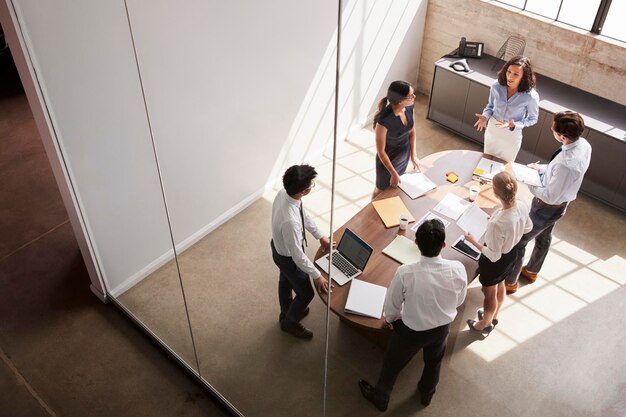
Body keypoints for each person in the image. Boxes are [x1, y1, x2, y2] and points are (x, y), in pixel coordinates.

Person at [358, 219, 467, 411]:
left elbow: (391, 307)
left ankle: (381, 397)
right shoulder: (458, 268)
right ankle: (426, 395)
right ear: (443, 244)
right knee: (434, 362)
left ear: (416, 243)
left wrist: (390, 320)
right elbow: (459, 300)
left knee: (392, 364)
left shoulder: (405, 273)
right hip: (441, 329)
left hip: (411, 332)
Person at [504, 111, 592, 293]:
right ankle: (532, 270)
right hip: (560, 205)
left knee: (520, 241)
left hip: (546, 208)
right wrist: (541, 168)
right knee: (544, 236)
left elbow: (549, 195)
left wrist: (528, 182)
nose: (551, 129)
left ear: (563, 136)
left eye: (554, 128)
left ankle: (510, 283)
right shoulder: (583, 144)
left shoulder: (566, 164)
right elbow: (556, 170)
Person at [464, 172, 532, 335]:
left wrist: (473, 241)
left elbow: (493, 255)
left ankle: (484, 324)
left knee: (489, 293)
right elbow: (528, 227)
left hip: (495, 261)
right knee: (500, 284)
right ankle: (495, 316)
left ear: (495, 192)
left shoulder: (497, 223)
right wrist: (512, 234)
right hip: (511, 255)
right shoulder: (521, 205)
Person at [270, 164, 333, 339]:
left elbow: (303, 215)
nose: (313, 186)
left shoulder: (285, 193)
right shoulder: (290, 222)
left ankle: (286, 312)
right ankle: (289, 323)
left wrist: (320, 236)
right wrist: (317, 275)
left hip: (278, 247)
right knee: (307, 293)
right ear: (304, 191)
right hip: (288, 257)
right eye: (312, 185)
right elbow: (297, 256)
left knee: (285, 280)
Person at [474, 56, 539, 163]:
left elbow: (533, 118)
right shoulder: (496, 86)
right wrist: (485, 116)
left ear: (523, 77)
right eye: (508, 71)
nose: (510, 76)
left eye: (515, 74)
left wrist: (515, 125)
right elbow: (490, 106)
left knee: (505, 168)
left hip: (511, 135)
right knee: (485, 161)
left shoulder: (530, 96)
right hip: (493, 130)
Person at [372, 80, 421, 199]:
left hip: (403, 157)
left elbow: (412, 131)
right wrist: (393, 173)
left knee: (394, 190)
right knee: (380, 190)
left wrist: (413, 155)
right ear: (400, 100)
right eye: (411, 95)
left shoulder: (409, 107)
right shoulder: (384, 121)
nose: (414, 97)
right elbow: (381, 152)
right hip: (387, 163)